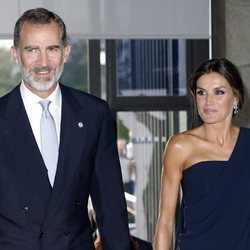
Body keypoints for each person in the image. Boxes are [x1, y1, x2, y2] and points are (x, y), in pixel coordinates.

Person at [0, 7, 131, 249]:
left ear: (66, 52)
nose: (43, 62)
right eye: (31, 50)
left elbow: (111, 206)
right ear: (16, 54)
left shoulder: (94, 113)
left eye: (52, 49)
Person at [154, 58, 250, 249]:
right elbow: (165, 223)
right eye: (201, 93)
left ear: (236, 98)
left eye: (219, 92)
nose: (208, 102)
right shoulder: (180, 146)